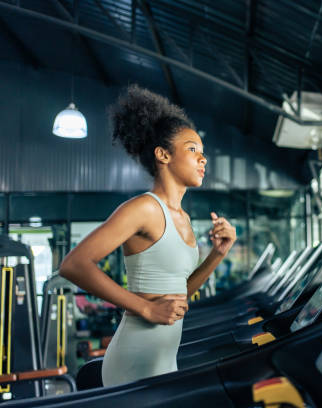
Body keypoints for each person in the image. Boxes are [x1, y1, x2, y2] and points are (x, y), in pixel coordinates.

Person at [59, 84, 236, 386]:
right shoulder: (144, 208)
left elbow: (179, 295)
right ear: (163, 155)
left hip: (165, 357)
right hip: (134, 358)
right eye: (193, 150)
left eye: (203, 153)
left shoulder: (183, 218)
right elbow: (73, 265)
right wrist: (146, 308)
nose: (203, 159)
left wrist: (217, 255)